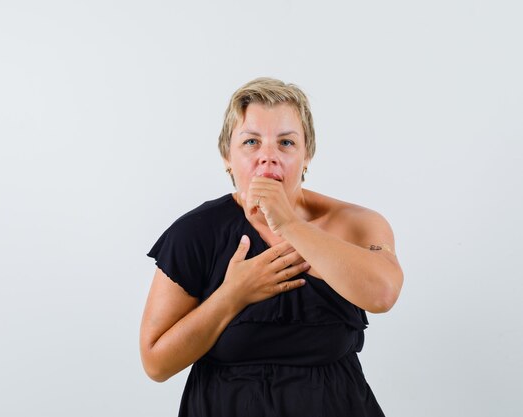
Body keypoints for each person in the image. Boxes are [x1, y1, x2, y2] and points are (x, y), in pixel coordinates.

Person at [140, 77, 403, 416]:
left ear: (307, 154)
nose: (268, 157)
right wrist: (232, 296)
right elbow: (156, 363)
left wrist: (291, 225)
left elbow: (382, 294)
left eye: (286, 143)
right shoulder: (195, 233)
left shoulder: (355, 222)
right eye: (251, 142)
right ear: (227, 157)